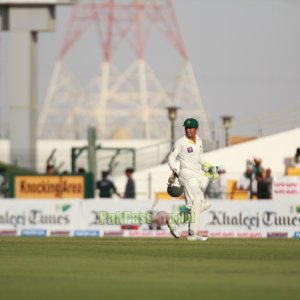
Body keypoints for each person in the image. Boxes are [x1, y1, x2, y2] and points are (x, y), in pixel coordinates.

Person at [167, 117, 214, 241]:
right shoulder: (180, 142)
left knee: (200, 204)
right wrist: (175, 169)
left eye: (190, 128)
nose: (188, 130)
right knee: (195, 201)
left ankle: (175, 222)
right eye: (186, 128)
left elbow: (201, 159)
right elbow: (171, 157)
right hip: (185, 174)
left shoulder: (199, 141)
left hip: (196, 175)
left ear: (196, 129)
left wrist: (209, 170)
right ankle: (192, 234)